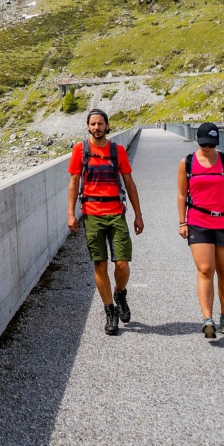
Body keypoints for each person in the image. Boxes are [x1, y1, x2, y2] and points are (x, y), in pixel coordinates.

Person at [67, 109, 144, 336]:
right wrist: (71, 214)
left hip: (116, 213)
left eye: (100, 124)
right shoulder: (80, 150)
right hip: (91, 214)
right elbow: (73, 183)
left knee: (122, 263)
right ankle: (110, 311)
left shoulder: (117, 151)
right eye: (93, 124)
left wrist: (138, 215)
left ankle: (120, 293)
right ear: (87, 126)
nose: (96, 127)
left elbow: (129, 183)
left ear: (107, 126)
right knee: (100, 264)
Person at [177, 122, 224, 339]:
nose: (208, 147)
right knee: (205, 269)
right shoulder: (187, 162)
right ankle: (207, 318)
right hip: (199, 221)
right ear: (198, 141)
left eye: (211, 143)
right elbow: (182, 194)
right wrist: (182, 222)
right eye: (204, 143)